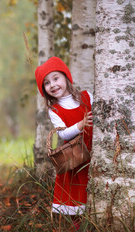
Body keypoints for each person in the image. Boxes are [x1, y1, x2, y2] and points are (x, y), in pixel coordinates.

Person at [35, 56, 93, 230]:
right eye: (46, 83)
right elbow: (63, 133)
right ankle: (77, 226)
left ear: (66, 78)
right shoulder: (55, 110)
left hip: (95, 151)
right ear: (44, 90)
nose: (52, 85)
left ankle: (93, 221)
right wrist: (80, 125)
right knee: (77, 193)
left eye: (55, 78)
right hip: (77, 156)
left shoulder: (87, 96)